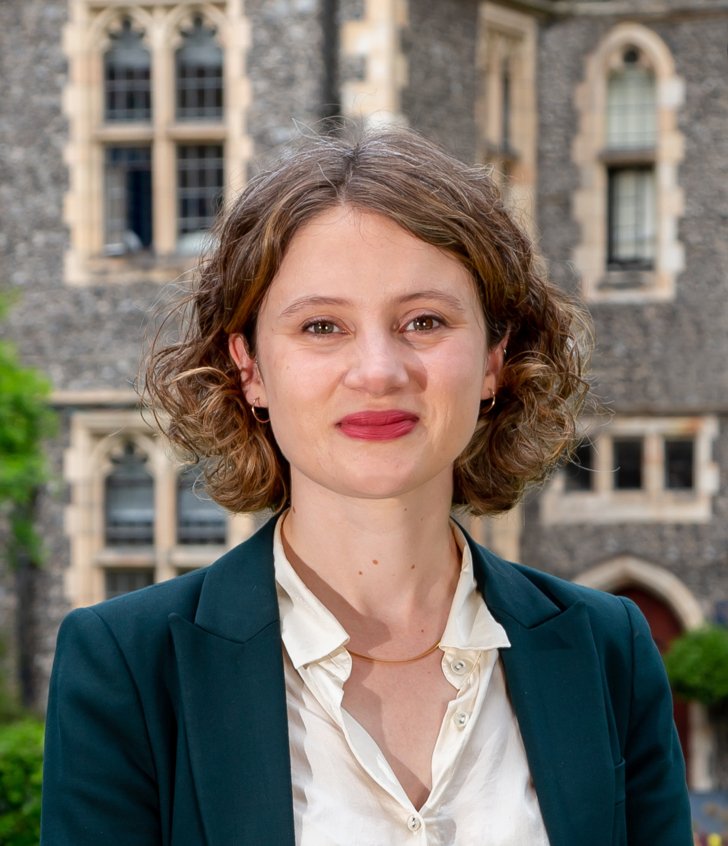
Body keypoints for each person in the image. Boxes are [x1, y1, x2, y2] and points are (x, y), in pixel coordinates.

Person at [41, 127, 692, 845]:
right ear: (250, 366)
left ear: (492, 360)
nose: (379, 370)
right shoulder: (127, 666)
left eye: (424, 321)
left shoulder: (609, 651)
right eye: (322, 326)